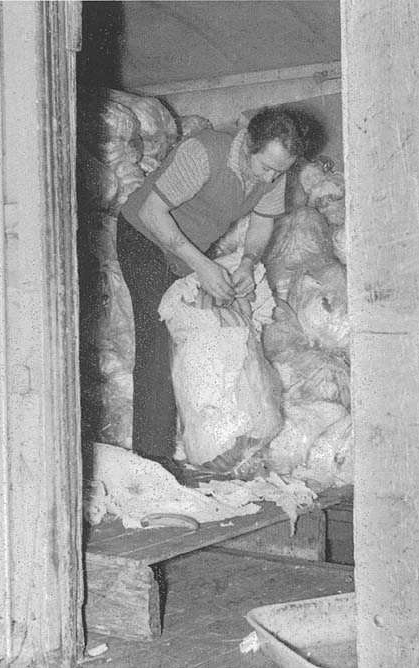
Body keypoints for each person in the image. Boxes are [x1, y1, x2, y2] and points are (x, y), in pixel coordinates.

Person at [116, 107, 325, 481]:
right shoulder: (205, 153)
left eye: (280, 171)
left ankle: (205, 447)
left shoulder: (272, 171)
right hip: (144, 237)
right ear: (247, 145)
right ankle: (151, 460)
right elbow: (151, 212)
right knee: (158, 337)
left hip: (185, 248)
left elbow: (262, 221)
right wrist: (202, 266)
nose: (271, 177)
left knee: (197, 337)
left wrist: (247, 262)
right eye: (265, 167)